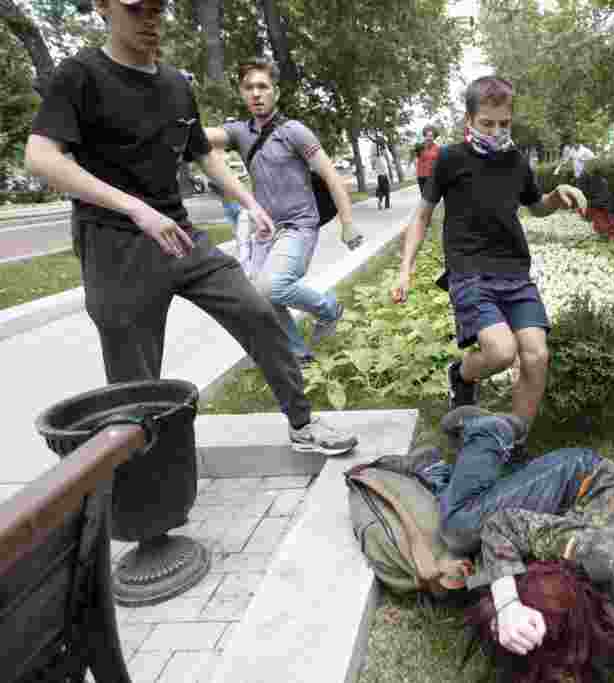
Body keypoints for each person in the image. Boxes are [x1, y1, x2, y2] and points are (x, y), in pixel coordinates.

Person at [25, 0, 358, 456]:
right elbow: (40, 157)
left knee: (257, 311)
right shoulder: (79, 74)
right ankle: (147, 485)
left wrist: (249, 201)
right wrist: (135, 209)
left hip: (181, 238)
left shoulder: (175, 85)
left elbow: (201, 152)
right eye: (137, 9)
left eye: (158, 10)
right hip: (114, 245)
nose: (152, 21)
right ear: (103, 6)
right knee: (137, 385)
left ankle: (303, 424)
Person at [391, 76, 587, 425]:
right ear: (469, 120)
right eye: (487, 123)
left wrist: (556, 196)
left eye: (504, 123)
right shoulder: (451, 158)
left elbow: (536, 206)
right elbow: (422, 216)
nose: (497, 131)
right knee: (500, 353)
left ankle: (515, 439)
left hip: (514, 271)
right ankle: (461, 375)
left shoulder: (515, 161)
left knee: (537, 355)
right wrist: (405, 269)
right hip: (469, 272)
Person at [434, 407, 614, 679]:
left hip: (604, 524)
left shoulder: (608, 631)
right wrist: (507, 604)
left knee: (480, 568)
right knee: (459, 529)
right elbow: (501, 526)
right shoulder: (589, 552)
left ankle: (450, 473)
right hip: (580, 478)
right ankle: (492, 431)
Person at [204, 57, 357, 367]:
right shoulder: (238, 131)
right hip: (266, 229)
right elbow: (200, 138)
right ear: (242, 93)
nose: (256, 93)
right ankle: (298, 355)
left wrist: (348, 224)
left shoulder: (295, 131)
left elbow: (330, 175)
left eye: (263, 86)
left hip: (299, 226)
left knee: (272, 286)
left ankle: (328, 308)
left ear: (275, 92)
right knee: (259, 297)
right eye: (249, 87)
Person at [416, 125, 441, 196]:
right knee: (424, 196)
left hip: (431, 176)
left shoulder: (437, 148)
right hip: (421, 176)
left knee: (431, 197)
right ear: (424, 136)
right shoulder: (419, 147)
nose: (429, 138)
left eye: (431, 136)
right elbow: (416, 156)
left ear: (434, 137)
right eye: (427, 136)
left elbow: (439, 162)